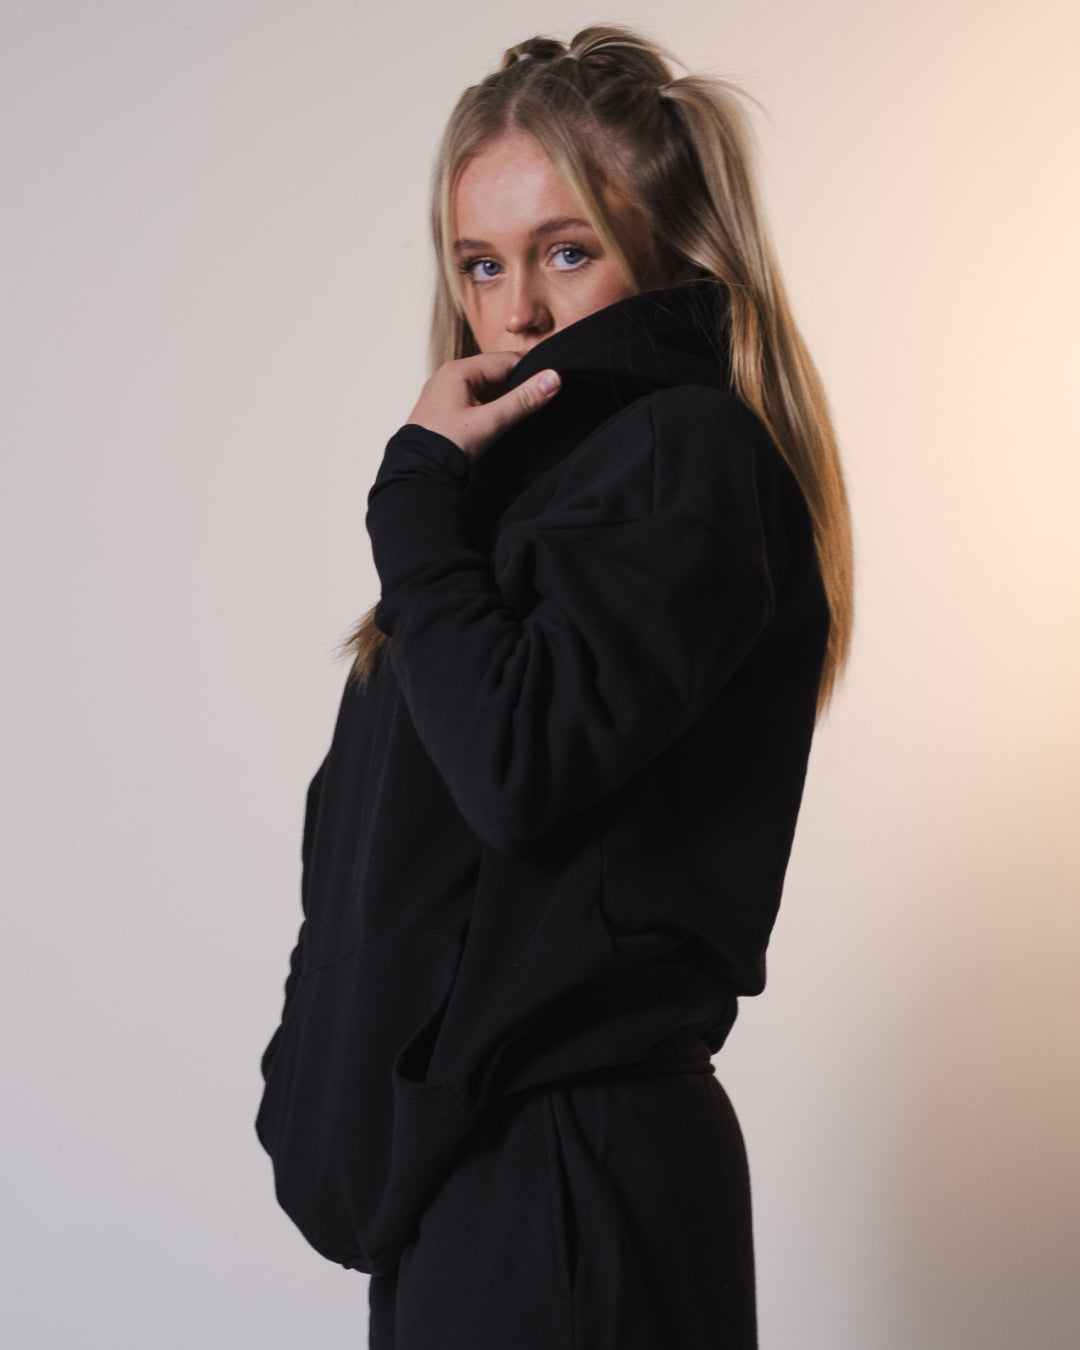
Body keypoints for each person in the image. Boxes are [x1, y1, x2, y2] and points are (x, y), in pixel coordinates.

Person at [254, 22, 853, 1350]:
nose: (517, 310)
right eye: (482, 263)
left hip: (573, 1176)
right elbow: (360, 845)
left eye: (567, 250)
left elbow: (516, 763)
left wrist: (412, 502)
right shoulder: (501, 520)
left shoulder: (679, 452)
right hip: (472, 1187)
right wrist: (317, 1089)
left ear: (671, 252)